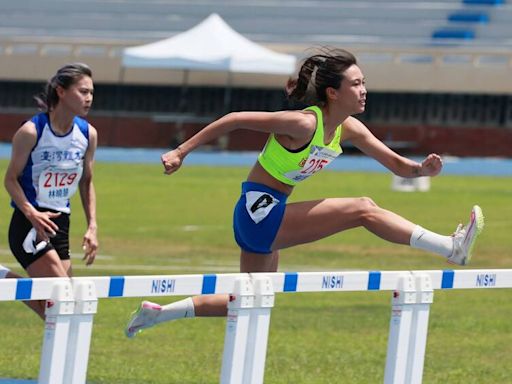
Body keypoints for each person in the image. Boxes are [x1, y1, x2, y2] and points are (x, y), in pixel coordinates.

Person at [125, 48, 484, 338]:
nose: (363, 90)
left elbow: (397, 165)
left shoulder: (350, 129)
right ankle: (449, 248)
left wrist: (423, 169)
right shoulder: (303, 123)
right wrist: (180, 151)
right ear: (334, 92)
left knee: (252, 298)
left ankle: (159, 313)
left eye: (364, 83)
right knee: (363, 208)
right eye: (356, 84)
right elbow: (234, 118)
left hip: (265, 213)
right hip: (259, 212)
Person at [3, 62, 98, 319]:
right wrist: (32, 214)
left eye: (91, 92)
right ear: (61, 91)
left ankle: (3, 278)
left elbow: (86, 181)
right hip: (29, 223)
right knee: (65, 304)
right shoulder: (31, 132)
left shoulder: (87, 134)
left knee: (60, 310)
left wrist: (92, 226)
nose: (89, 98)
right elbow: (10, 179)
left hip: (60, 224)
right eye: (83, 91)